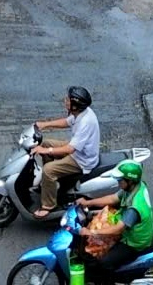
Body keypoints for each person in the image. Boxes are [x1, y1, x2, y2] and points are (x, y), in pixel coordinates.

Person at [75, 160, 153, 282]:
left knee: (104, 261)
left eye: (120, 180)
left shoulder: (134, 207)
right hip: (130, 230)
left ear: (129, 181)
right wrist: (88, 202)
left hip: (134, 242)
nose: (118, 183)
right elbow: (113, 198)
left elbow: (118, 229)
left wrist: (92, 233)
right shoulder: (134, 187)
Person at [30, 86, 100, 218]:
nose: (65, 101)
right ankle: (50, 184)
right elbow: (67, 122)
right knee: (45, 143)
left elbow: (70, 149)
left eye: (68, 100)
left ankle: (48, 205)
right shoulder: (81, 112)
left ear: (75, 105)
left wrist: (46, 150)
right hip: (78, 150)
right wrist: (44, 125)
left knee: (48, 170)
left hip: (82, 159)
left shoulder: (85, 122)